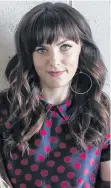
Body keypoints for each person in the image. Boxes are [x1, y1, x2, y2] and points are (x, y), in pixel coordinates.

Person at [0, 2, 110, 188]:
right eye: (42, 50)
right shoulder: (6, 106)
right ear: (30, 56)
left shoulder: (100, 108)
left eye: (65, 46)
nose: (54, 61)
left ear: (81, 48)